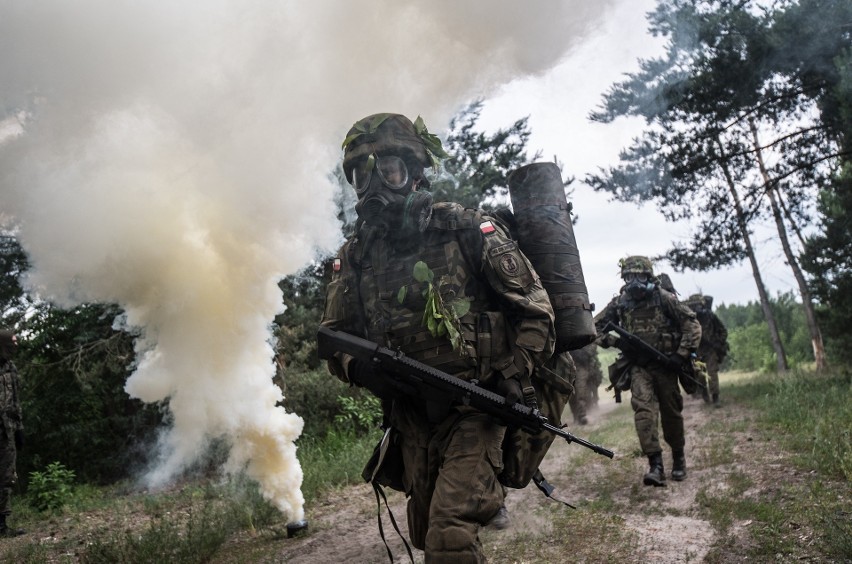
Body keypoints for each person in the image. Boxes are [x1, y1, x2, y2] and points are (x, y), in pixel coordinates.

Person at [320, 113, 556, 562]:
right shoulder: (355, 257)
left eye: (387, 170)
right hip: (411, 418)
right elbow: (334, 340)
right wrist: (362, 371)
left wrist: (512, 373)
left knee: (449, 535)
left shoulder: (467, 230)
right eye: (361, 176)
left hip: (474, 407)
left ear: (414, 174)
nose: (374, 188)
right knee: (429, 534)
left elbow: (537, 312)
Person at [594, 256, 701, 487]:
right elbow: (593, 327)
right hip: (639, 368)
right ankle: (656, 466)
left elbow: (691, 324)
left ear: (649, 277)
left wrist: (680, 355)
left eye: (639, 276)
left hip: (666, 367)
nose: (634, 282)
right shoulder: (620, 303)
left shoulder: (664, 299)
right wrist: (615, 342)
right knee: (644, 414)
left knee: (672, 414)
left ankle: (679, 458)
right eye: (629, 276)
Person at [0, 330, 24, 537]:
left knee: (7, 477)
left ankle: (2, 526)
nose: (15, 346)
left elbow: (15, 401)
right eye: (12, 342)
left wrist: (20, 428)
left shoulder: (11, 368)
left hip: (7, 431)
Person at [685, 294, 729, 407]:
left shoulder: (710, 317)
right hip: (696, 351)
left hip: (710, 350)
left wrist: (718, 342)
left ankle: (715, 397)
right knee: (700, 376)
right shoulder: (689, 319)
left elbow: (723, 331)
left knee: (712, 373)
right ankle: (705, 394)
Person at [570, 342, 603, 417]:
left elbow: (591, 349)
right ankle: (576, 415)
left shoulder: (587, 339)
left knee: (582, 391)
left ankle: (583, 414)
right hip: (569, 366)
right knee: (571, 394)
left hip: (583, 366)